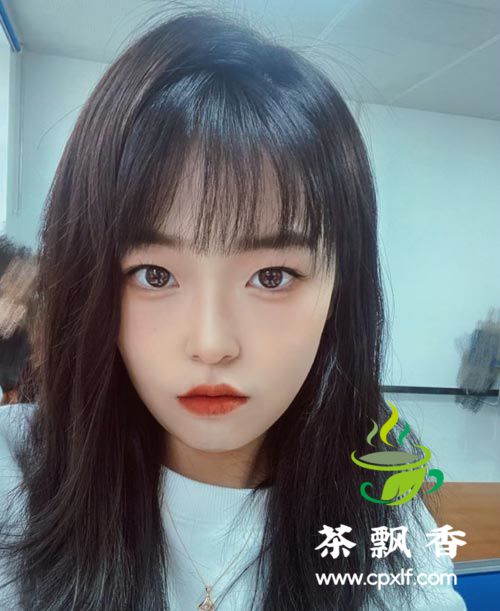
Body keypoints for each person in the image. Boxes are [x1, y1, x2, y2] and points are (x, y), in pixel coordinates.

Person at [0, 10, 467, 611]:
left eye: (272, 277)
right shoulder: (19, 474)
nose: (213, 343)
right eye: (155, 275)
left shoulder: (384, 508)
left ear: (340, 291)